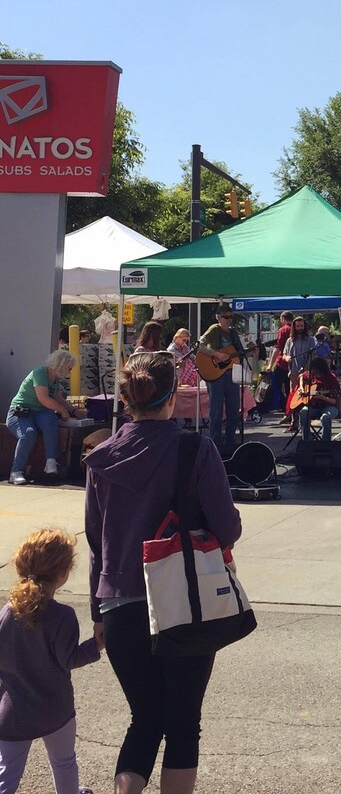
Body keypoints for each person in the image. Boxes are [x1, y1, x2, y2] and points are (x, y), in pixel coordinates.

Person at [86, 350, 242, 793]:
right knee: (182, 724)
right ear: (173, 397)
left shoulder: (101, 459)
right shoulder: (195, 449)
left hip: (118, 604)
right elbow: (226, 528)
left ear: (124, 399)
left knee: (145, 719)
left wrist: (98, 612)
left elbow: (97, 543)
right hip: (183, 600)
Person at [0, 528, 101, 794]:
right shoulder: (63, 616)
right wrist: (97, 645)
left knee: (7, 770)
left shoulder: (7, 612)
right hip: (55, 709)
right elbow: (69, 659)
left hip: (13, 712)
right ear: (63, 573)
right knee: (64, 762)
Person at [6, 350, 81, 485]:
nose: (69, 371)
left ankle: (51, 461)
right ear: (62, 364)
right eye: (69, 368)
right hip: (20, 411)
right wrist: (63, 411)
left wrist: (74, 411)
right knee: (28, 434)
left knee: (51, 419)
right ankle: (16, 471)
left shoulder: (55, 378)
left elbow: (58, 399)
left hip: (39, 412)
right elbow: (44, 399)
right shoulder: (40, 373)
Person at [198, 305, 246, 453]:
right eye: (226, 317)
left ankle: (230, 444)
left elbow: (237, 355)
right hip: (216, 375)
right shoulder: (215, 329)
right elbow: (200, 345)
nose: (229, 320)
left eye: (231, 316)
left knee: (233, 410)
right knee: (216, 411)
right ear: (218, 318)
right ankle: (215, 445)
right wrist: (217, 355)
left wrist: (251, 351)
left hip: (231, 375)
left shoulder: (233, 333)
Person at [295, 356, 341, 442]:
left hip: (329, 406)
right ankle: (307, 441)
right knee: (303, 413)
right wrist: (301, 388)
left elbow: (334, 400)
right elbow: (301, 376)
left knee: (325, 417)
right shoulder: (311, 375)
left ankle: (325, 443)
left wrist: (322, 397)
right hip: (313, 406)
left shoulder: (331, 378)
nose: (313, 372)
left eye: (315, 370)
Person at [279, 316, 315, 427]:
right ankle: (294, 423)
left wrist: (306, 370)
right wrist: (287, 358)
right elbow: (284, 355)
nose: (300, 328)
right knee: (294, 397)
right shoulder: (290, 340)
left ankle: (305, 423)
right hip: (294, 372)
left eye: (301, 326)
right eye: (298, 326)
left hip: (306, 373)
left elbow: (312, 356)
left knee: (306, 397)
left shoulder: (310, 340)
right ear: (294, 327)